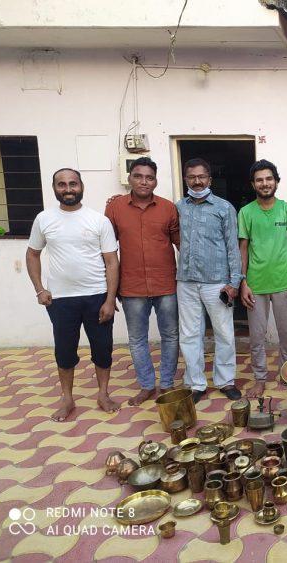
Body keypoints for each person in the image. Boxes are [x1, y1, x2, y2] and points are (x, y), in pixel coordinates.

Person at [26, 168, 120, 421]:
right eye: (62, 184)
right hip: (60, 300)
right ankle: (68, 399)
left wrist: (110, 299)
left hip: (97, 296)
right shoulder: (44, 219)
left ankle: (103, 393)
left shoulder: (99, 220)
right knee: (65, 351)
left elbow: (112, 261)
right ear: (54, 187)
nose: (68, 189)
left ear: (82, 186)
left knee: (103, 348)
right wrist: (39, 289)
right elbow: (32, 254)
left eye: (73, 184)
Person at [105, 157, 180, 406]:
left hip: (166, 284)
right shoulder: (115, 208)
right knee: (137, 339)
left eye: (149, 177)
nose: (144, 181)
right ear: (129, 179)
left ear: (156, 180)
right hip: (132, 286)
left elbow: (181, 243)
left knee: (170, 336)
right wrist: (111, 288)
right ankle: (147, 385)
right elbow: (107, 250)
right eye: (138, 176)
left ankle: (166, 384)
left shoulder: (168, 208)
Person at [176, 158, 243, 403]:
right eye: (192, 177)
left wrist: (234, 281)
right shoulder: (179, 207)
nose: (197, 181)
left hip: (217, 282)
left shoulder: (224, 208)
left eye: (201, 176)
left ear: (209, 179)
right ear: (185, 179)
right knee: (190, 334)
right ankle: (196, 384)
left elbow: (232, 247)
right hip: (186, 281)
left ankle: (225, 381)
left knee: (224, 332)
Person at [239, 160, 287, 392]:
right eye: (259, 180)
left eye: (268, 179)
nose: (264, 184)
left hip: (285, 284)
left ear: (276, 181)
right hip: (255, 285)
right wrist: (243, 281)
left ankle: (286, 374)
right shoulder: (246, 212)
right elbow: (243, 248)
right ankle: (260, 379)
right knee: (256, 337)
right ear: (253, 184)